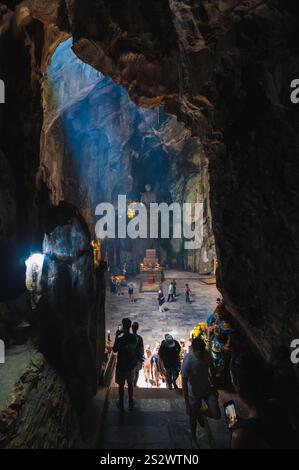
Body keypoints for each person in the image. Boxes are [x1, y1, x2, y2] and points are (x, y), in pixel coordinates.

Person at [230, 353, 298, 449]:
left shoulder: (240, 437)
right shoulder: (276, 405)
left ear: (238, 386)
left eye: (232, 380)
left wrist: (244, 428)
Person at [182, 337, 221, 448]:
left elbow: (211, 368)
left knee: (216, 414)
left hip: (207, 389)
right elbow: (184, 383)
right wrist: (187, 404)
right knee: (192, 417)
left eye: (202, 350)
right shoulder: (188, 361)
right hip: (193, 393)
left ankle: (200, 413)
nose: (201, 353)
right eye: (199, 351)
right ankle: (193, 438)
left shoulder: (207, 354)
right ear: (193, 349)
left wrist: (214, 386)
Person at [113, 318, 139, 410]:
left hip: (121, 365)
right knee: (130, 384)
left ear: (123, 327)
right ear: (130, 326)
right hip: (130, 365)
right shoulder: (134, 337)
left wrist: (116, 336)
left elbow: (114, 349)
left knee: (121, 385)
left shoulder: (120, 340)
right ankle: (131, 400)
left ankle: (121, 401)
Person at [132, 321, 144, 387]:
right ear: (137, 328)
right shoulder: (139, 338)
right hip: (137, 358)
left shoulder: (129, 337)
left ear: (132, 328)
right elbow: (141, 349)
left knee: (131, 372)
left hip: (130, 358)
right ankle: (134, 384)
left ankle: (131, 384)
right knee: (136, 372)